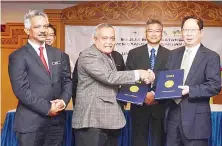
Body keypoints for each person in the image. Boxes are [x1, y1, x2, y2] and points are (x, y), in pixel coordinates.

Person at [71, 23, 155, 146]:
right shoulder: (88, 55)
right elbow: (109, 77)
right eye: (104, 38)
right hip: (92, 122)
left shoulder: (109, 56)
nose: (109, 42)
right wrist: (139, 73)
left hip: (108, 121)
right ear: (95, 39)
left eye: (112, 38)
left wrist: (144, 79)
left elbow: (117, 81)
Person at [8, 10, 72, 146]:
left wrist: (63, 101)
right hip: (30, 124)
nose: (43, 30)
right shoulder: (17, 56)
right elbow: (21, 90)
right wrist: (49, 107)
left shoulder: (59, 54)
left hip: (56, 124)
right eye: (37, 27)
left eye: (45, 26)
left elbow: (67, 81)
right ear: (27, 30)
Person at [165, 16, 222, 146]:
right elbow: (167, 80)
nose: (189, 34)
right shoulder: (173, 54)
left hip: (197, 120)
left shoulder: (211, 56)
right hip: (173, 117)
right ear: (181, 32)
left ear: (201, 32)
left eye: (193, 30)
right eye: (185, 30)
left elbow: (214, 86)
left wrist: (190, 90)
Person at [126, 19, 170, 146]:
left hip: (160, 105)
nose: (154, 34)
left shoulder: (170, 54)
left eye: (157, 31)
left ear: (162, 33)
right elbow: (129, 77)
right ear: (145, 33)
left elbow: (169, 79)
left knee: (160, 141)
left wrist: (154, 94)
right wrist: (143, 95)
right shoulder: (134, 53)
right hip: (139, 105)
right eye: (150, 31)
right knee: (138, 140)